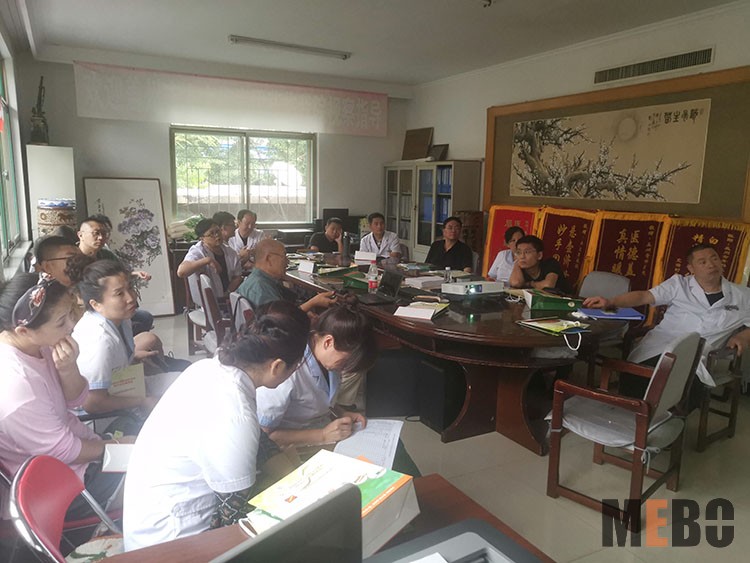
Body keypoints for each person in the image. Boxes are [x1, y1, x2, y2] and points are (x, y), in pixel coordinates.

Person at [123, 301, 310, 551]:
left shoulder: (211, 368)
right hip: (170, 544)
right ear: (277, 366)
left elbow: (259, 440)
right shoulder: (234, 413)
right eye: (296, 367)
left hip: (152, 517)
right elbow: (233, 518)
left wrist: (294, 475)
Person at [0, 274, 129, 520]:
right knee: (161, 471)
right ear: (23, 330)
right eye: (61, 321)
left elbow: (76, 401)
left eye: (70, 313)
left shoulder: (40, 346)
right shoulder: (15, 386)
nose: (71, 325)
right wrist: (117, 447)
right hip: (59, 489)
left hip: (78, 455)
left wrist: (68, 369)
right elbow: (64, 451)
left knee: (147, 442)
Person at [583, 243, 750, 394]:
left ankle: (659, 414)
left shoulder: (742, 295)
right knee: (639, 380)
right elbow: (643, 296)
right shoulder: (678, 284)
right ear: (691, 268)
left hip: (699, 355)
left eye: (714, 258)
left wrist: (743, 336)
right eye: (703, 262)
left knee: (677, 387)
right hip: (661, 345)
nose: (711, 265)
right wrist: (610, 302)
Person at [256, 304, 377, 447]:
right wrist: (322, 435)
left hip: (320, 430)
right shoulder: (287, 370)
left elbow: (323, 397)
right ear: (328, 342)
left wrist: (341, 412)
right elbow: (265, 437)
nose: (344, 370)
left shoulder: (327, 360)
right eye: (345, 363)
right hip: (289, 447)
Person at [71, 260, 175, 421]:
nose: (131, 298)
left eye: (130, 288)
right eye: (119, 293)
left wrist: (132, 359)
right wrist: (143, 401)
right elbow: (92, 404)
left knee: (187, 381)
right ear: (96, 304)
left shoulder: (121, 318)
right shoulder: (99, 342)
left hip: (121, 387)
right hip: (104, 416)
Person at [77, 215, 154, 335]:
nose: (101, 237)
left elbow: (119, 273)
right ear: (80, 235)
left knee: (145, 317)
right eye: (96, 233)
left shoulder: (106, 255)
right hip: (92, 308)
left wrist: (134, 274)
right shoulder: (73, 260)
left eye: (104, 233)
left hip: (111, 303)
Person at [236, 239, 336, 312]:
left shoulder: (257, 280)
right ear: (269, 259)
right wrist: (312, 303)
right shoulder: (261, 288)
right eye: (284, 256)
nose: (287, 262)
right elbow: (281, 321)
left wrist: (303, 311)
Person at [177, 218, 243, 307]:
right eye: (211, 234)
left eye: (218, 231)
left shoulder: (230, 252)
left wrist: (227, 293)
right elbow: (181, 272)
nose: (217, 235)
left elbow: (237, 277)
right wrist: (207, 260)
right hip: (207, 304)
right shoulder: (197, 251)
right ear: (202, 238)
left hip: (228, 298)